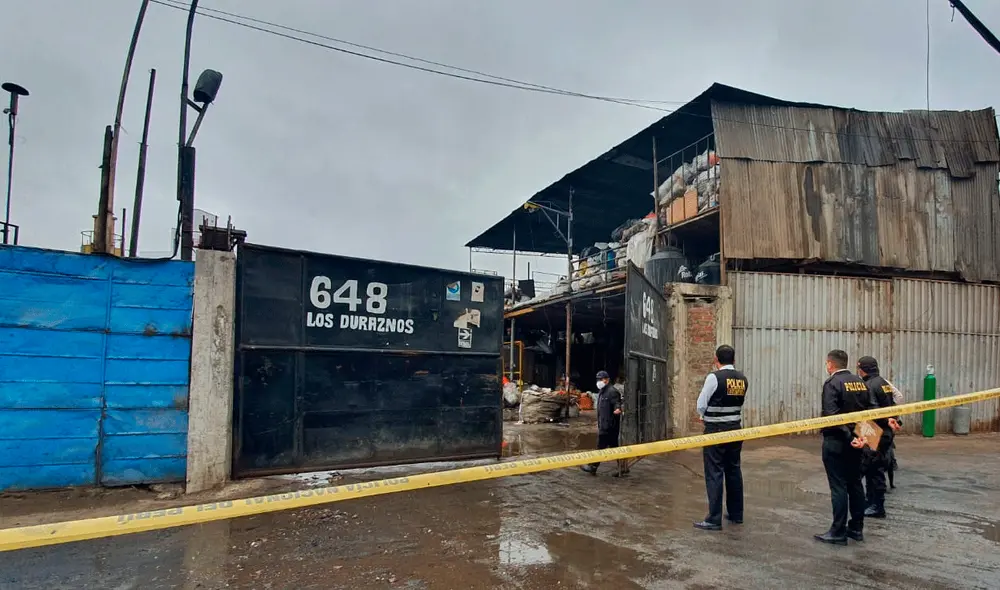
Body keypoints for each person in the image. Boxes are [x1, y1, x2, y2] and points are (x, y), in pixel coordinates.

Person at [816, 349, 871, 545]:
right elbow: (868, 412)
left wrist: (849, 438)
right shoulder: (860, 382)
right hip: (858, 441)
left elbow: (832, 416)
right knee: (855, 484)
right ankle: (856, 527)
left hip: (837, 442)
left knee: (838, 486)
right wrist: (862, 438)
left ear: (830, 364)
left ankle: (838, 531)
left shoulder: (832, 383)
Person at [693, 345, 748, 531]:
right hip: (735, 430)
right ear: (733, 360)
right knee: (733, 470)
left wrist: (703, 415)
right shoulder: (742, 379)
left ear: (716, 360)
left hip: (715, 430)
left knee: (714, 472)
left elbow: (701, 403)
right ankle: (736, 514)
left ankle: (714, 518)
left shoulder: (714, 377)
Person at [857, 356, 902, 518]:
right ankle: (872, 502)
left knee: (873, 470)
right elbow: (894, 403)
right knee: (875, 469)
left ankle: (876, 505)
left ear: (863, 369)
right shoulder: (883, 383)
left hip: (875, 432)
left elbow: (874, 411)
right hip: (885, 432)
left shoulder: (868, 385)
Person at [580, 370, 622, 475]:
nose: (599, 381)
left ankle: (593, 467)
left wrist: (617, 409)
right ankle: (623, 468)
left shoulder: (612, 391)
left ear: (607, 380)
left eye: (601, 379)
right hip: (604, 424)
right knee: (615, 448)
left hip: (609, 426)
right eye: (598, 379)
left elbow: (617, 402)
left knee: (600, 447)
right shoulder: (602, 391)